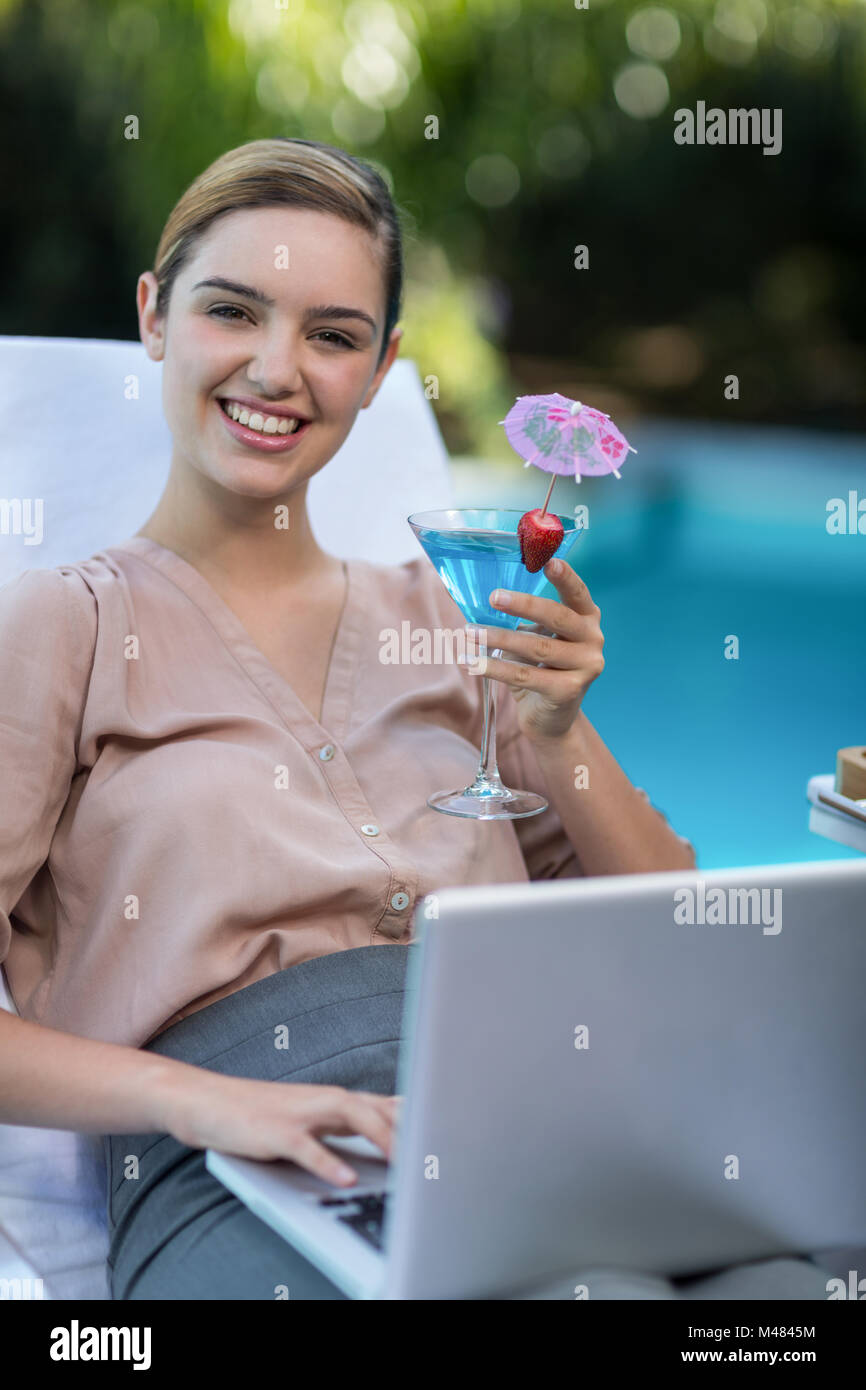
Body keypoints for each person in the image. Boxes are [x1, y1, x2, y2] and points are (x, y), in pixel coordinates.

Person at [0, 138, 827, 1301]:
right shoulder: (63, 628)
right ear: (154, 315)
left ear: (382, 369)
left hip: (541, 1114)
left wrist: (556, 732)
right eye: (233, 311)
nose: (277, 369)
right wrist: (209, 1102)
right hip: (232, 1167)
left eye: (332, 335)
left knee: (787, 1305)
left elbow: (684, 931)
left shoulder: (451, 618)